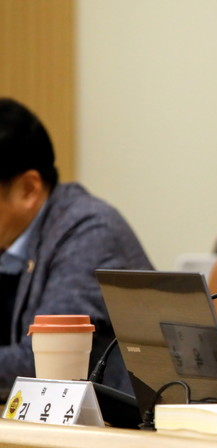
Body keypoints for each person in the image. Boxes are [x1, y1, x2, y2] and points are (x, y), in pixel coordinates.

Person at [0, 98, 153, 400]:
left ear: (28, 189)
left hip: (122, 423)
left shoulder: (90, 232)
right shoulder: (11, 235)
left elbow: (41, 366)